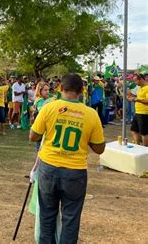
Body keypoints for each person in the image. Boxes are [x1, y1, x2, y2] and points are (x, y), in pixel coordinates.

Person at [29, 74, 105, 243]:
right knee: (71, 219)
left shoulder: (49, 108)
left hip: (48, 168)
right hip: (75, 171)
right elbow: (100, 148)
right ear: (82, 90)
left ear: (60, 89)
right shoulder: (91, 114)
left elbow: (33, 136)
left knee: (47, 216)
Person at [128, 74, 148, 146]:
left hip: (144, 113)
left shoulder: (147, 88)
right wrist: (132, 97)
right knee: (134, 130)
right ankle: (137, 145)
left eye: (135, 81)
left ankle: (145, 150)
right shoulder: (140, 88)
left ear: (141, 79)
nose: (135, 83)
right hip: (138, 112)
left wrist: (136, 99)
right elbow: (135, 96)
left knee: (144, 133)